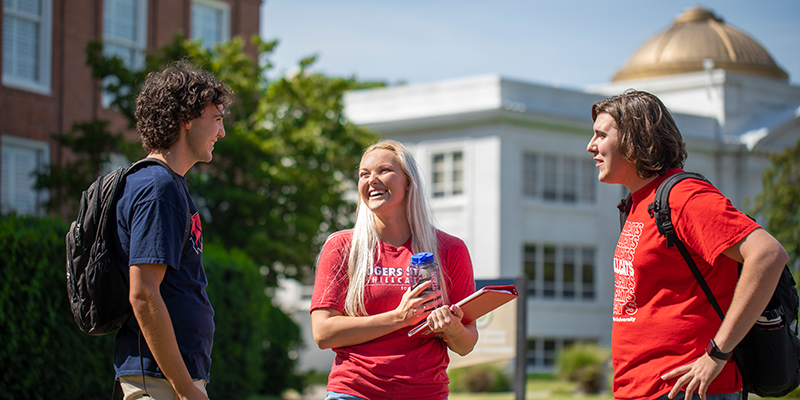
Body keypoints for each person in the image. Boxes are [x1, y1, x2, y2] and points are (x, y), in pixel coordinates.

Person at [586, 90, 788, 400]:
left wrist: (717, 354)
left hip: (687, 389)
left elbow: (767, 254)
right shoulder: (639, 203)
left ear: (633, 138)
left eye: (601, 135)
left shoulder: (684, 197)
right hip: (642, 389)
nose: (591, 146)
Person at [310, 140, 479, 400]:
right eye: (364, 174)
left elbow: (466, 344)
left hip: (426, 394)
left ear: (408, 182)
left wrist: (451, 327)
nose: (372, 180)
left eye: (384, 171)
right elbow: (323, 333)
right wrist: (401, 317)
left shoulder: (451, 249)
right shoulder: (342, 246)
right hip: (354, 393)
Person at [113, 62, 233, 400]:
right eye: (217, 119)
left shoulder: (169, 186)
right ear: (186, 118)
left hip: (169, 380)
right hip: (160, 382)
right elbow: (144, 293)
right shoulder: (157, 187)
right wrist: (185, 389)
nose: (221, 133)